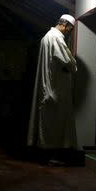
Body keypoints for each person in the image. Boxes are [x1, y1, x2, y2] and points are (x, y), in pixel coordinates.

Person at [27, 14, 78, 165]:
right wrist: (73, 64)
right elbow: (68, 62)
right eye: (70, 29)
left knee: (47, 123)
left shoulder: (46, 37)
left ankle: (46, 156)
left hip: (47, 86)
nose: (69, 32)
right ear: (65, 25)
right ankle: (52, 157)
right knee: (54, 125)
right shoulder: (56, 38)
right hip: (54, 88)